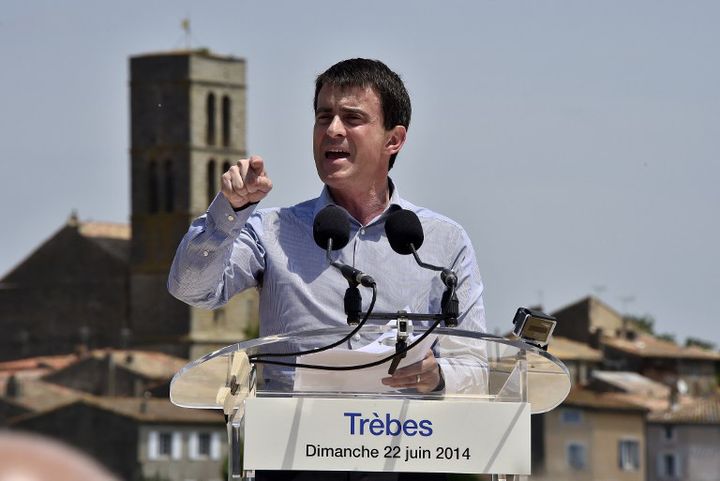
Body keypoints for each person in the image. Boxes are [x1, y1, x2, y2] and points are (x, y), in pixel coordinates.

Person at [168, 58, 486, 480]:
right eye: (323, 116)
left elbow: (476, 368)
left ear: (394, 140)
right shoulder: (271, 229)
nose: (332, 129)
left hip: (409, 458)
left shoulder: (444, 241)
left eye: (352, 118)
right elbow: (191, 289)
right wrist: (230, 213)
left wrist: (438, 375)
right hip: (293, 460)